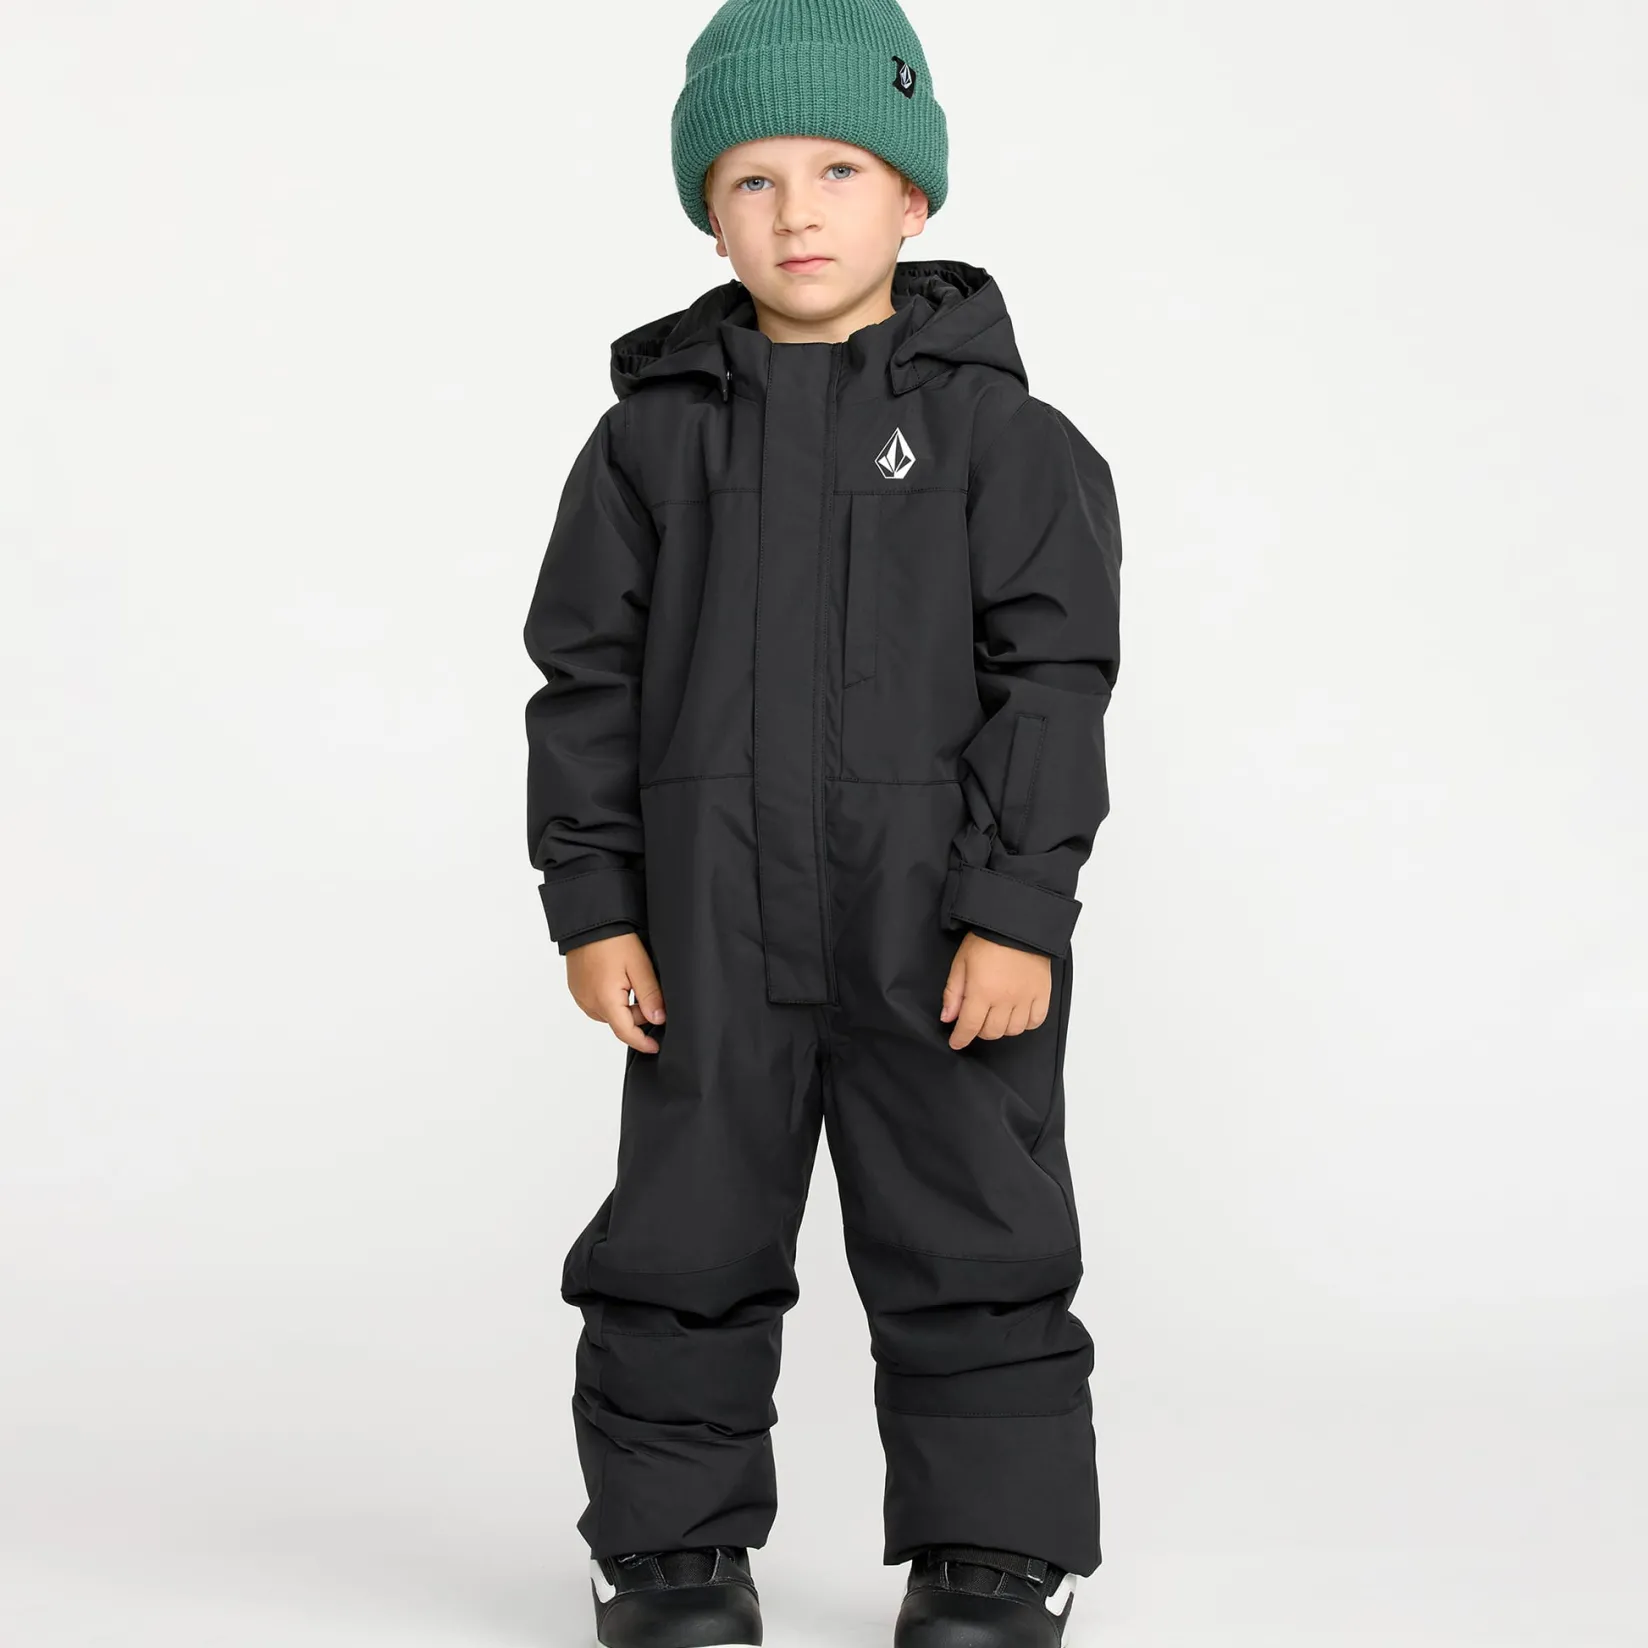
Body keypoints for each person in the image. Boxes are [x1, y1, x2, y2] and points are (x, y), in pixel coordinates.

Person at [522, 2, 1122, 1642]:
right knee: (682, 1238)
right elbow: (584, 681)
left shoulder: (1010, 443)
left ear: (912, 196)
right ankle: (669, 1549)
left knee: (974, 1233)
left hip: (936, 928)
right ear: (706, 214)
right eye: (752, 179)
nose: (796, 212)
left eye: (840, 169)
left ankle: (994, 1551)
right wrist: (596, 905)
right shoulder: (648, 445)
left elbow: (1053, 685)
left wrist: (1016, 909)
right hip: (708, 931)